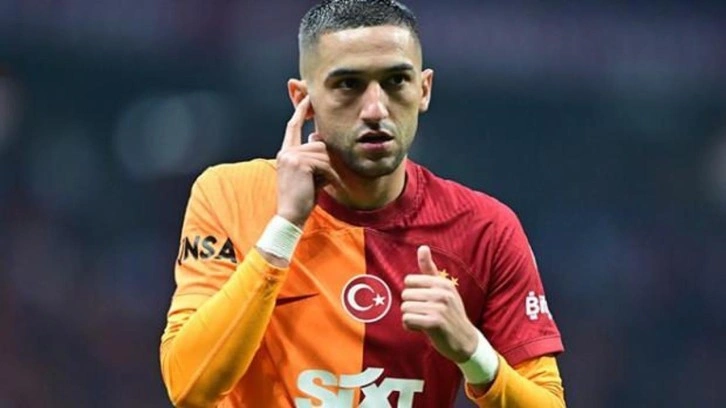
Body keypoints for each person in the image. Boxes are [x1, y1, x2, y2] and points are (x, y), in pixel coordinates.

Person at [159, 1, 566, 407]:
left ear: (423, 90)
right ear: (303, 98)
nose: (375, 110)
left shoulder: (485, 229)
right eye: (348, 85)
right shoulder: (229, 194)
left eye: (396, 81)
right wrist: (285, 226)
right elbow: (189, 387)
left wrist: (473, 352)